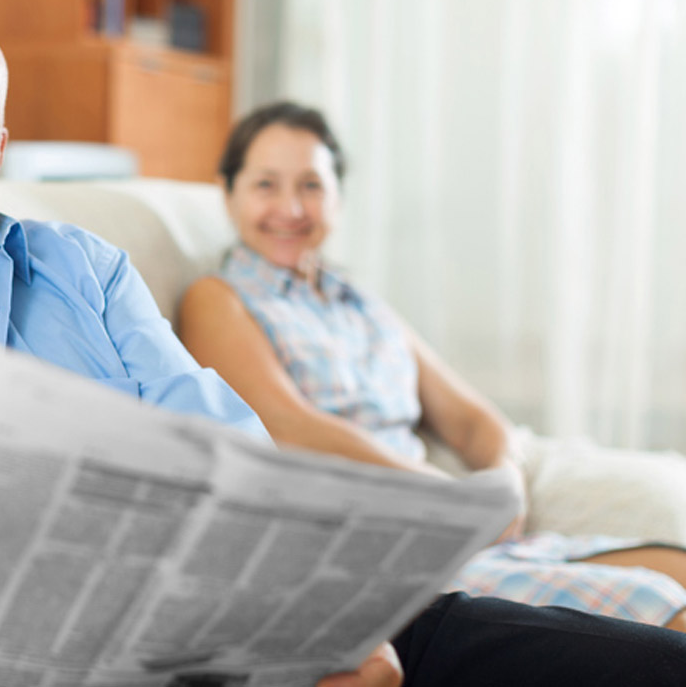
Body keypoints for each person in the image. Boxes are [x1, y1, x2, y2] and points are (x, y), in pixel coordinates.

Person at [0, 0, 686, 687]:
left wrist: (318, 620)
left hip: (276, 638)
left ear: (0, 142)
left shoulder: (81, 269)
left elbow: (234, 459)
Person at [178, 100, 686, 634]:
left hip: (459, 528)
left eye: (311, 185)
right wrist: (442, 493)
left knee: (678, 567)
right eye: (265, 185)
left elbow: (469, 418)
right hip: (382, 543)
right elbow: (287, 425)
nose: (291, 207)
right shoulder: (218, 298)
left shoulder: (358, 303)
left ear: (337, 198)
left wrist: (504, 477)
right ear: (228, 192)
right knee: (665, 609)